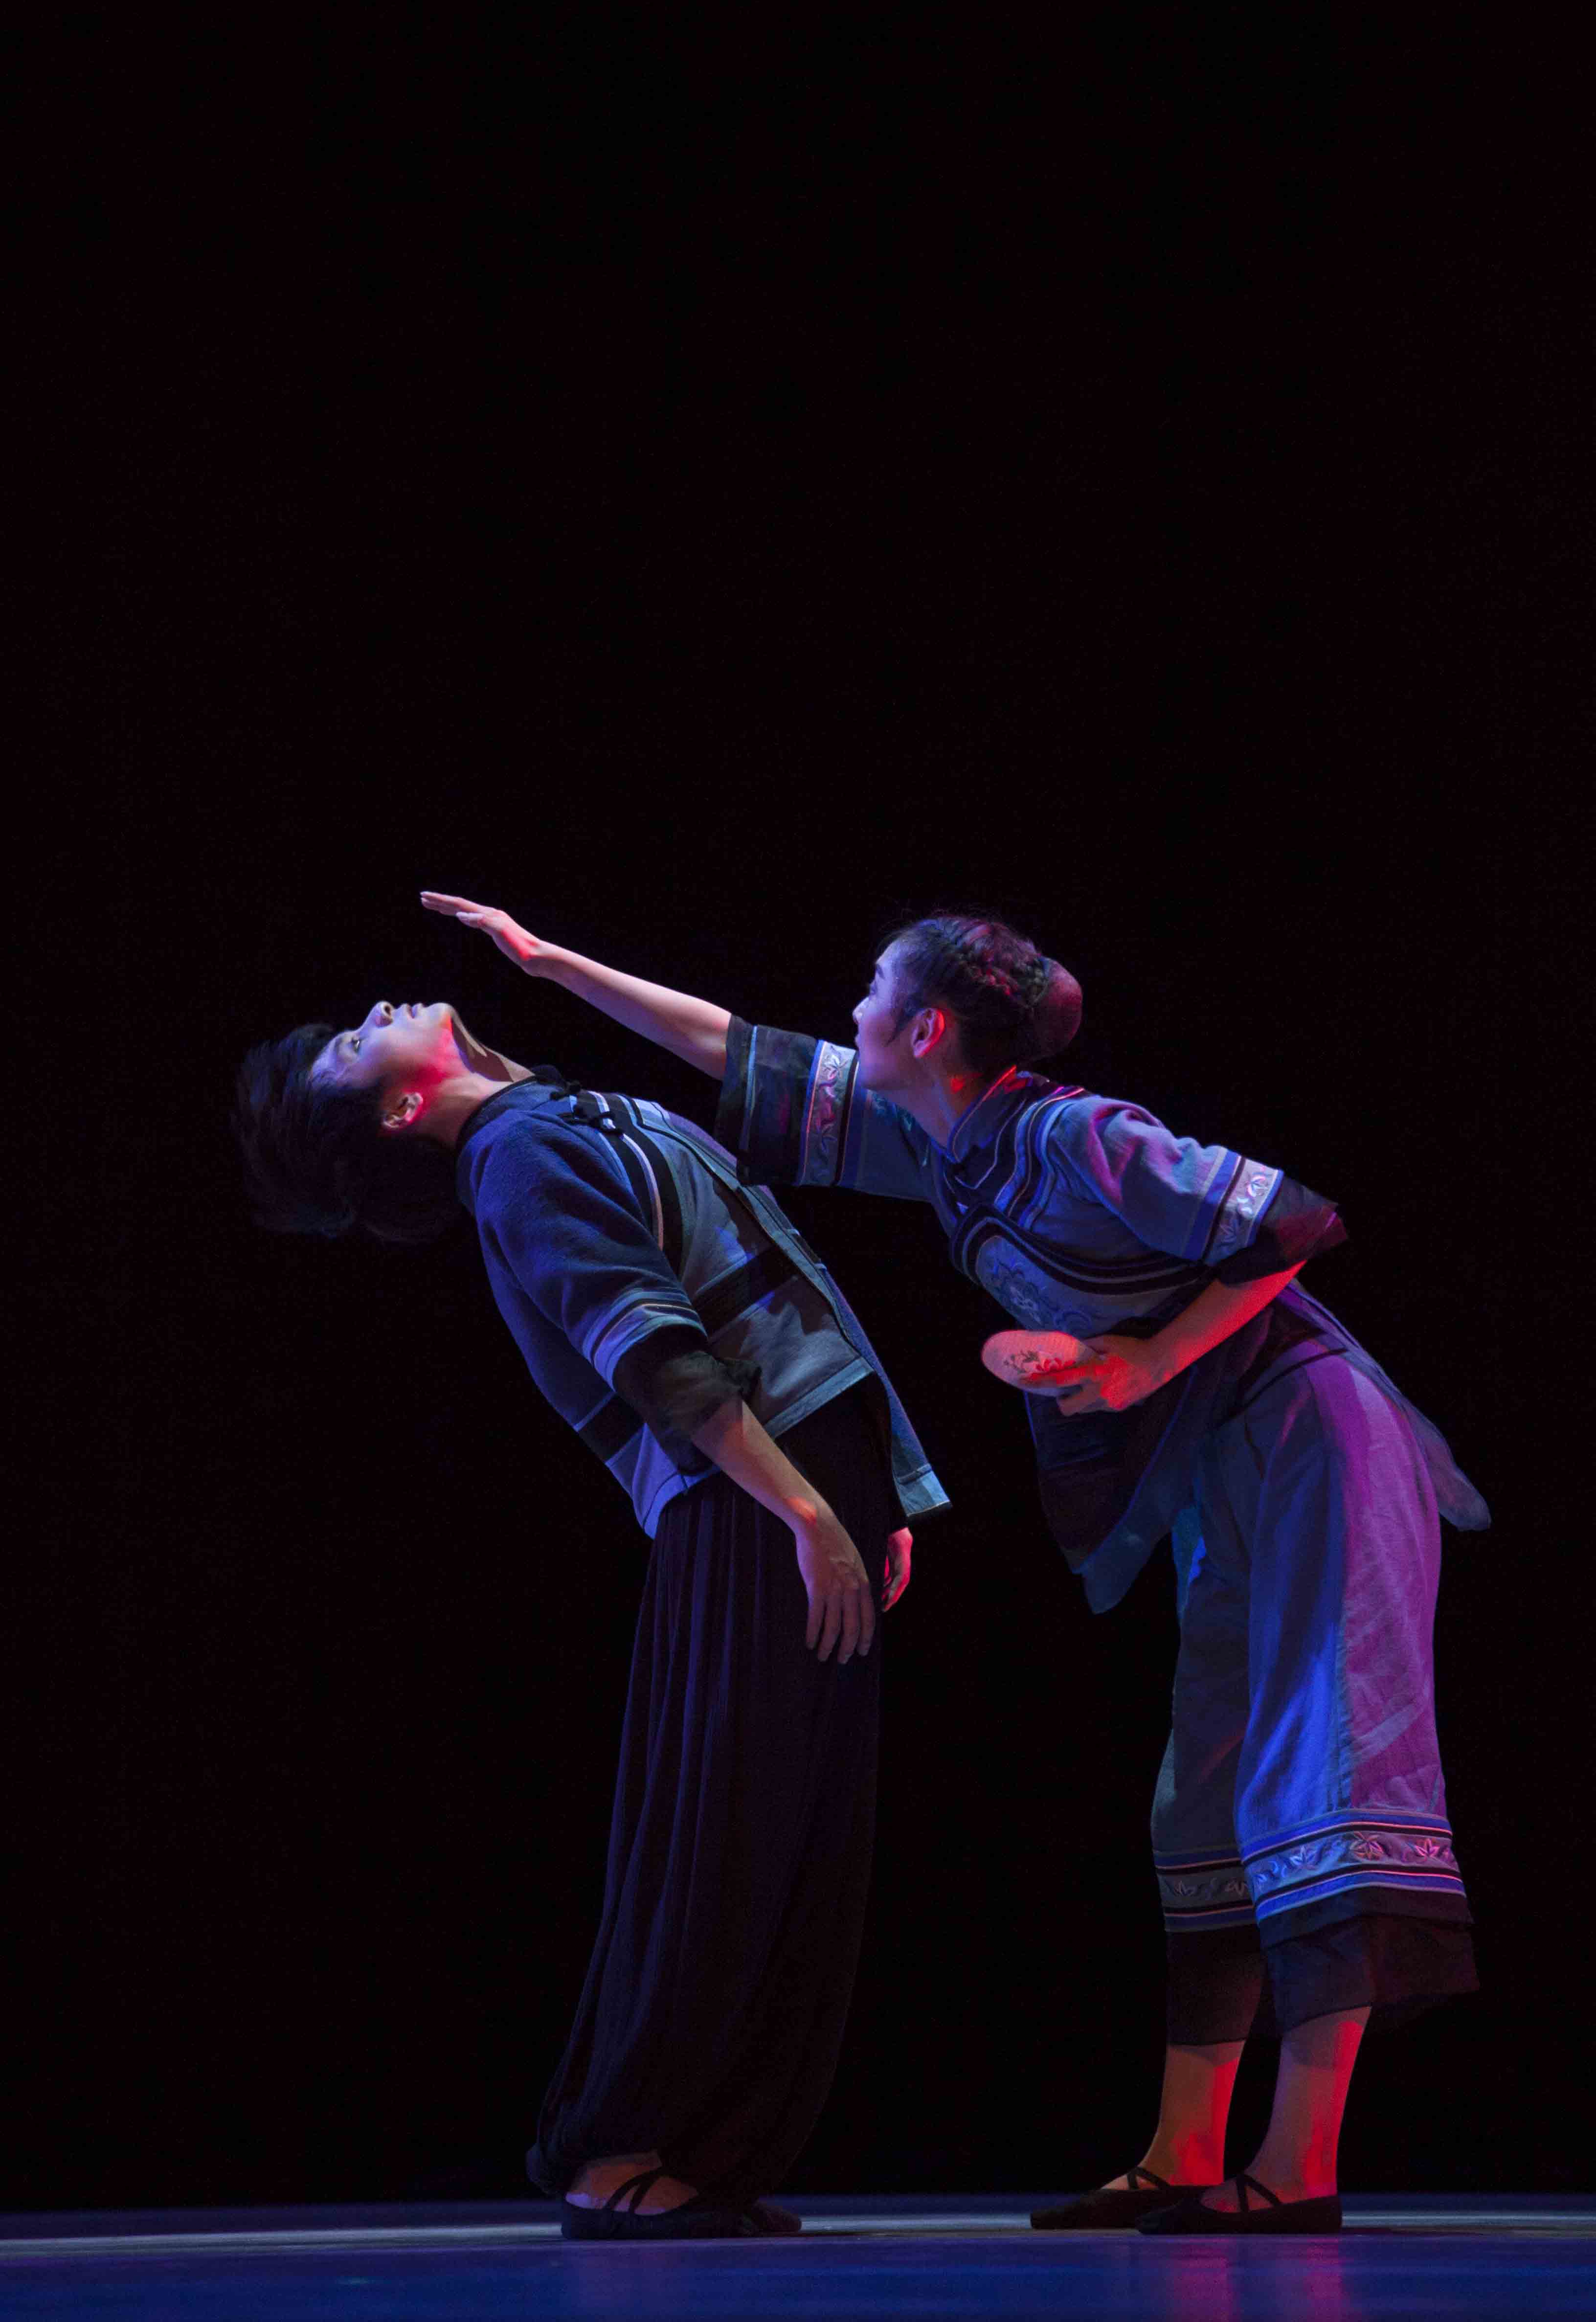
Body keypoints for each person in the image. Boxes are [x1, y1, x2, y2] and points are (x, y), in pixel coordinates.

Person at [420, 890, 1489, 2237]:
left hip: (1314, 1429)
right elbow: (739, 1050)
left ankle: (1299, 2162)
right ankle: (1186, 2150)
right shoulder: (942, 1143)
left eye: (874, 987)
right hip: (1220, 1459)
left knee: (1314, 1766)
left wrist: (1146, 1358)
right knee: (1203, 1790)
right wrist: (551, 961)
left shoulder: (1073, 1131)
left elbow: (1293, 1221)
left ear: (926, 1028)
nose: (850, 1007)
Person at [234, 993, 947, 2240]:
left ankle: (707, 2151)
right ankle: (618, 2144)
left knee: (799, 1825)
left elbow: (771, 1268)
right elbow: (658, 1356)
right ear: (399, 1109)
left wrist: (864, 1488)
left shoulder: (548, 1111)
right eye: (353, 1044)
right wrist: (806, 1512)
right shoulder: (517, 1156)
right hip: (748, 1498)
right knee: (725, 1823)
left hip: (794, 1476)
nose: (373, 1010)